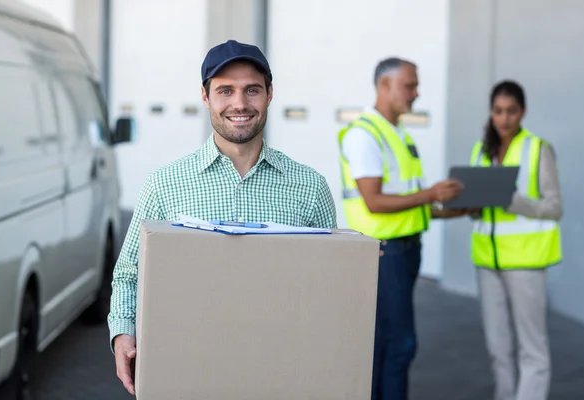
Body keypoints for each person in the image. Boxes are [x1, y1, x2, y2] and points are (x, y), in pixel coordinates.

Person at [108, 39, 337, 396]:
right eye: (225, 91)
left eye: (252, 90)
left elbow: (329, 288)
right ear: (205, 97)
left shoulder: (310, 188)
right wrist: (123, 333)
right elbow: (128, 275)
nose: (239, 104)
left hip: (281, 371)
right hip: (187, 368)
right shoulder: (165, 184)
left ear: (270, 94)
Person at [338, 57, 466, 400]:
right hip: (386, 251)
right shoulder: (365, 135)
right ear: (384, 86)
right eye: (410, 85)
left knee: (385, 344)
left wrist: (446, 210)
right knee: (399, 345)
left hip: (404, 249)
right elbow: (375, 201)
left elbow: (406, 201)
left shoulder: (397, 132)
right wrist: (432, 193)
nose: (416, 92)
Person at [469, 80, 562, 400]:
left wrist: (511, 200)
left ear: (523, 112)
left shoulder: (538, 149)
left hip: (526, 262)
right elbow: (480, 206)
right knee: (498, 349)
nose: (504, 118)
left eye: (511, 111)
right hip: (487, 261)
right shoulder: (480, 150)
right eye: (497, 111)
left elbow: (554, 208)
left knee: (532, 351)